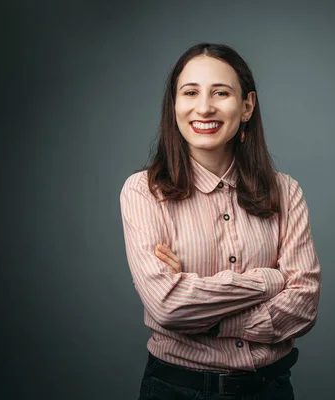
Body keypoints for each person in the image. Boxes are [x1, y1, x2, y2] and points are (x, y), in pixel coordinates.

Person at [119, 42, 322, 400]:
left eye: (221, 92)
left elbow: (304, 304)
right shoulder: (144, 192)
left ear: (246, 106)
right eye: (190, 92)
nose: (204, 107)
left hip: (269, 390)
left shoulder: (286, 192)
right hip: (177, 391)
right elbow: (168, 305)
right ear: (175, 105)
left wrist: (206, 315)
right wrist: (269, 280)